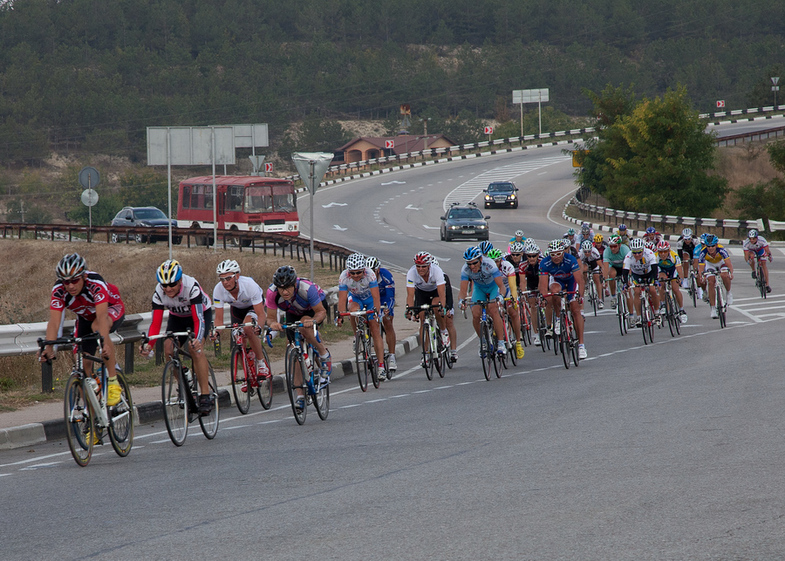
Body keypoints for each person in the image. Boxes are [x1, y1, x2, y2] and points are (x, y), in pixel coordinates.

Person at [40, 253, 125, 409]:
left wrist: (105, 344)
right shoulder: (59, 290)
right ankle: (94, 416)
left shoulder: (95, 283)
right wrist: (49, 346)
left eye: (74, 280)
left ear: (84, 276)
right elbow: (54, 322)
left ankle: (113, 382)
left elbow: (101, 316)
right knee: (83, 363)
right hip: (85, 318)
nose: (70, 286)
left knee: (97, 328)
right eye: (66, 282)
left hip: (110, 309)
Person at [140, 260, 214, 415]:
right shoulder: (159, 293)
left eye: (172, 284)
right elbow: (155, 323)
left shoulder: (191, 287)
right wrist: (149, 345)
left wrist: (197, 339)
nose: (168, 289)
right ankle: (183, 384)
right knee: (168, 349)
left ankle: (205, 395)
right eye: (164, 285)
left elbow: (198, 320)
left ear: (180, 280)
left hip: (199, 315)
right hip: (177, 318)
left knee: (195, 349)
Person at [265, 265, 330, 410]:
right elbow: (270, 318)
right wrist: (273, 324)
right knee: (292, 350)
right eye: (281, 288)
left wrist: (312, 321)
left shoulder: (307, 288)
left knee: (304, 327)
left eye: (288, 287)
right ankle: (300, 396)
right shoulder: (272, 293)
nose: (285, 292)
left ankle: (323, 354)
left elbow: (321, 312)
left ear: (295, 284)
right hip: (293, 311)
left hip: (314, 309)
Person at [210, 259, 269, 389]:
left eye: (228, 278)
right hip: (237, 310)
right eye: (222, 279)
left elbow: (261, 314)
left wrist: (258, 327)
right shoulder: (218, 290)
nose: (225, 282)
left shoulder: (249, 285)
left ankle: (261, 363)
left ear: (237, 276)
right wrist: (216, 332)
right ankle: (248, 375)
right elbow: (219, 319)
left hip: (253, 307)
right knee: (238, 338)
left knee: (248, 327)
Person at [336, 253, 387, 380]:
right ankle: (356, 336)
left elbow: (376, 297)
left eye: (358, 272)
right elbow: (342, 300)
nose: (355, 275)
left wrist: (377, 313)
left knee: (375, 330)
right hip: (356, 298)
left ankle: (381, 367)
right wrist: (340, 316)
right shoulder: (343, 277)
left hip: (370, 300)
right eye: (352, 273)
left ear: (363, 270)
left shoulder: (370, 274)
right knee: (353, 310)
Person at [538, 239, 587, 358]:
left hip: (571, 281)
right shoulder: (545, 263)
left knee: (575, 310)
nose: (555, 257)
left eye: (558, 254)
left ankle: (581, 345)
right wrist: (544, 298)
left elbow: (580, 281)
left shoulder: (570, 259)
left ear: (563, 252)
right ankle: (558, 318)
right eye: (553, 254)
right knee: (554, 292)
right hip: (557, 281)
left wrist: (580, 296)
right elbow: (543, 285)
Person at [458, 246, 508, 357]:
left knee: (493, 310)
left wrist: (501, 296)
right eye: (469, 264)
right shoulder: (465, 269)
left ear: (480, 259)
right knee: (475, 314)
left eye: (474, 263)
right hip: (479, 288)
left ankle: (501, 343)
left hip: (493, 287)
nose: (472, 266)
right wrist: (461, 301)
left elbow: (501, 286)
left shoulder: (490, 264)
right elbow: (463, 290)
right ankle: (483, 341)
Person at [405, 251, 450, 364]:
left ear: (429, 265)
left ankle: (443, 331)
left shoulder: (437, 271)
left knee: (436, 307)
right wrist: (410, 309)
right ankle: (425, 353)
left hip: (435, 292)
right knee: (422, 319)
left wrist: (442, 307)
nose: (420, 269)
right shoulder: (411, 273)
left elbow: (442, 294)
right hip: (421, 293)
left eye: (423, 266)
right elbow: (410, 295)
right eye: (418, 266)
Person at [488, 248, 524, 359]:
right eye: (492, 261)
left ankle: (518, 342)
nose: (495, 264)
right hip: (495, 290)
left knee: (513, 312)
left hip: (507, 288)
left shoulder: (507, 266)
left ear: (501, 260)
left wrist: (514, 298)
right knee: (493, 309)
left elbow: (512, 285)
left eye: (497, 261)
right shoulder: (487, 268)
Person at [366, 255, 398, 376]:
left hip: (384, 298)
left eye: (373, 271)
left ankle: (392, 356)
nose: (371, 274)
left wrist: (387, 309)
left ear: (378, 269)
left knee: (387, 321)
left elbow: (391, 297)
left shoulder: (386, 276)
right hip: (371, 299)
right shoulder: (365, 276)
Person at [622, 238, 660, 327]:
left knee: (652, 290)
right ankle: (639, 317)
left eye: (639, 252)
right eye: (634, 252)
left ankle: (657, 313)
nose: (637, 254)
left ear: (643, 249)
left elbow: (655, 268)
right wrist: (625, 283)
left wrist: (656, 280)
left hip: (650, 273)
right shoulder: (628, 257)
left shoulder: (649, 253)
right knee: (637, 292)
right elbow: (625, 272)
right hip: (637, 275)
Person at [429, 257, 458, 363]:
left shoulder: (443, 276)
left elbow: (448, 294)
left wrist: (448, 308)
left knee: (449, 321)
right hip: (430, 298)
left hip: (443, 298)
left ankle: (453, 351)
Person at [697, 234, 734, 317]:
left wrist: (731, 273)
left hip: (721, 263)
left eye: (713, 246)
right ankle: (713, 308)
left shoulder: (721, 250)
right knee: (711, 282)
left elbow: (729, 264)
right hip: (710, 265)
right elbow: (701, 268)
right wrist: (702, 277)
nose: (710, 248)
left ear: (716, 245)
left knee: (724, 275)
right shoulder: (703, 252)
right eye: (708, 246)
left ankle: (728, 292)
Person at [517, 240, 544, 346]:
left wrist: (542, 292)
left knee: (546, 300)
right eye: (529, 256)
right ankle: (536, 334)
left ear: (538, 255)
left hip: (542, 280)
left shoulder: (542, 262)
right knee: (533, 306)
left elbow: (543, 280)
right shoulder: (523, 265)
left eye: (534, 256)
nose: (531, 258)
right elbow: (522, 282)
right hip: (531, 283)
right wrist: (524, 293)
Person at [655, 240, 688, 323]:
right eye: (660, 252)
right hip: (662, 270)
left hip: (673, 270)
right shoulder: (655, 257)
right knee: (661, 282)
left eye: (665, 251)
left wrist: (680, 280)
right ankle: (663, 304)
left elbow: (679, 270)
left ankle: (681, 309)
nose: (663, 254)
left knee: (675, 289)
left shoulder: (674, 256)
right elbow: (654, 271)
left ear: (668, 250)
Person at [602, 235, 631, 311]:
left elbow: (630, 265)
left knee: (628, 292)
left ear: (619, 245)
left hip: (624, 267)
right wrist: (605, 280)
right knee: (611, 274)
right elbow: (605, 267)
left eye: (615, 246)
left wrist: (629, 279)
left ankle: (631, 315)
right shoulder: (607, 251)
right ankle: (613, 297)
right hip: (614, 267)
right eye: (611, 246)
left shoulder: (625, 250)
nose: (613, 249)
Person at [742, 229, 772, 293]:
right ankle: (753, 270)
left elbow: (767, 250)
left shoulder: (762, 240)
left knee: (763, 263)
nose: (751, 240)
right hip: (751, 251)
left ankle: (767, 285)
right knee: (751, 256)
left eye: (753, 239)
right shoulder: (746, 243)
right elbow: (746, 255)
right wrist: (748, 261)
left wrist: (769, 256)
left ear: (757, 238)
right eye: (750, 239)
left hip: (760, 250)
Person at [578, 239, 604, 309]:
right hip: (584, 263)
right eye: (585, 251)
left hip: (594, 264)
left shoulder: (595, 251)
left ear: (591, 250)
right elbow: (578, 266)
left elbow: (599, 264)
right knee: (584, 269)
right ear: (583, 250)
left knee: (596, 278)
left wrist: (602, 271)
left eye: (589, 251)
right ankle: (586, 285)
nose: (587, 253)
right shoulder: (580, 253)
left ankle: (600, 300)